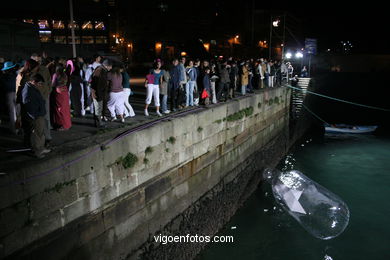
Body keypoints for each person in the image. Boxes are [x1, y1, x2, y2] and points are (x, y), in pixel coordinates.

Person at [21, 73, 51, 158]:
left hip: (39, 114)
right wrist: (36, 116)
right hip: (36, 116)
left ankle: (41, 147)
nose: (41, 86)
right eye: (40, 83)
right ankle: (37, 151)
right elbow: (29, 106)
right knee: (36, 134)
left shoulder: (33, 88)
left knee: (40, 132)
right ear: (34, 82)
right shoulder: (28, 91)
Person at [91, 59, 112, 127]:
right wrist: (99, 96)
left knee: (98, 108)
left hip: (97, 92)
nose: (111, 68)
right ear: (106, 65)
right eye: (110, 66)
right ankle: (99, 123)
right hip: (98, 93)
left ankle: (97, 123)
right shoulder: (101, 71)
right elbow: (99, 84)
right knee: (98, 108)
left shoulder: (99, 69)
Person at [51, 64, 72, 130]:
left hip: (58, 92)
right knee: (65, 109)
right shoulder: (65, 75)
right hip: (65, 91)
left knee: (59, 110)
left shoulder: (56, 75)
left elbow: (53, 84)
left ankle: (61, 125)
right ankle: (67, 124)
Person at [1, 61, 18, 133]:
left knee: (12, 112)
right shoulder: (15, 75)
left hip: (9, 94)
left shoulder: (4, 77)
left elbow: (3, 87)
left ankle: (14, 129)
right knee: (17, 112)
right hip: (17, 94)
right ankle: (18, 128)